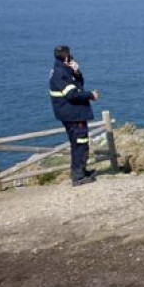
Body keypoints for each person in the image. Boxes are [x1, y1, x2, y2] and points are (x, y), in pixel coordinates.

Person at [49, 46, 101, 186]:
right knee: (80, 144)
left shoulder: (64, 70)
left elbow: (78, 85)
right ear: (66, 57)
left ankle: (81, 172)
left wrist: (76, 71)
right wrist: (91, 95)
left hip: (72, 113)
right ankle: (78, 176)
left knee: (78, 144)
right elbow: (72, 94)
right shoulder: (61, 73)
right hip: (73, 114)